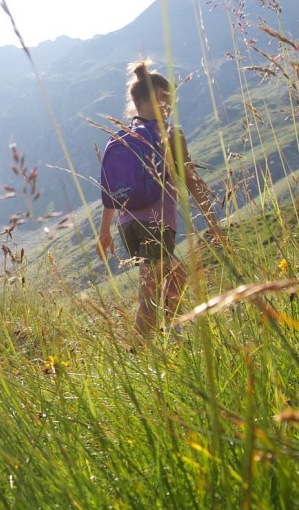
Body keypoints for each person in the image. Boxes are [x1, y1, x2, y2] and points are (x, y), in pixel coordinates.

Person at [95, 61, 223, 335]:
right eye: (169, 100)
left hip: (127, 226)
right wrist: (212, 222)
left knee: (176, 276)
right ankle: (141, 355)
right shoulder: (170, 134)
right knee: (149, 299)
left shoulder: (122, 137)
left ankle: (171, 336)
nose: (172, 107)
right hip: (156, 224)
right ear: (160, 98)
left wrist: (105, 230)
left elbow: (110, 188)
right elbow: (192, 181)